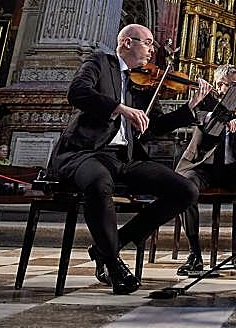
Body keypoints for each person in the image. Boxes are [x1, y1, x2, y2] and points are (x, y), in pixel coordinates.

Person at [48, 24, 212, 294]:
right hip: (85, 152)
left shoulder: (142, 83)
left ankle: (112, 245)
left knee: (185, 190)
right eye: (147, 43)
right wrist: (119, 108)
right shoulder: (100, 62)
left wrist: (190, 108)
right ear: (126, 43)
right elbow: (77, 92)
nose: (152, 49)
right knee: (99, 183)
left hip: (123, 158)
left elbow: (153, 127)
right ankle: (113, 264)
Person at [173, 64, 236, 275]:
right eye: (235, 85)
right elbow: (205, 123)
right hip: (201, 168)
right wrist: (225, 118)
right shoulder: (203, 101)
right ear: (220, 85)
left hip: (233, 171)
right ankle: (194, 254)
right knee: (183, 186)